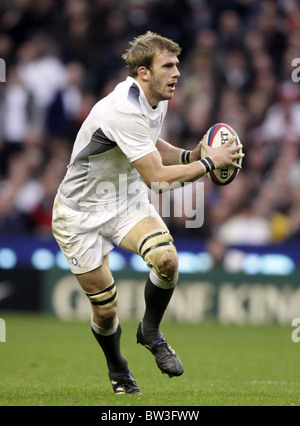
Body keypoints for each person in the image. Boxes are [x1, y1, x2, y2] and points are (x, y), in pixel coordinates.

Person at [52, 31, 244, 395]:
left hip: (123, 199)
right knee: (106, 311)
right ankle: (118, 368)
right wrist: (208, 163)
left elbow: (150, 145)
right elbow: (156, 177)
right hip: (78, 213)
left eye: (177, 65)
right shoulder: (122, 109)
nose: (177, 74)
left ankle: (150, 332)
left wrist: (190, 155)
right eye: (168, 66)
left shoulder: (156, 99)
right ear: (143, 72)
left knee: (167, 260)